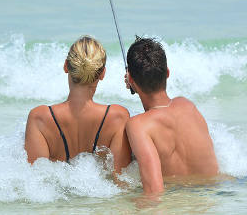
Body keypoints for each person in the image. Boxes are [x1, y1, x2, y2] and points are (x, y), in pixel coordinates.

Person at [125, 36, 219, 194]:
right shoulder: (187, 105)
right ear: (167, 73)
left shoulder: (138, 126)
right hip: (212, 198)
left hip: (177, 203)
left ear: (131, 80)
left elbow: (153, 193)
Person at [25, 36, 131, 175]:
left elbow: (35, 183)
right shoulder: (118, 117)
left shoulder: (39, 118)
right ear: (102, 73)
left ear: (65, 66)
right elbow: (121, 183)